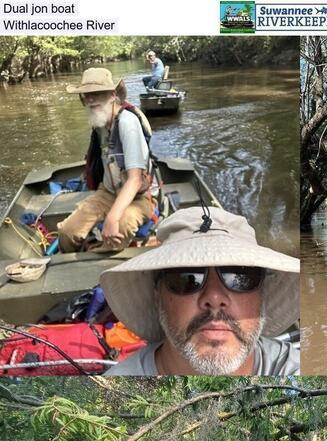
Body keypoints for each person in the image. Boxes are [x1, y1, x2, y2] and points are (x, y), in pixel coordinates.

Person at [100, 206, 300, 376]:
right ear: (158, 297)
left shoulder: (293, 367)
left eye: (240, 277)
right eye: (187, 278)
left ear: (262, 295)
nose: (214, 298)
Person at [59, 68, 154, 253]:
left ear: (112, 95)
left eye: (97, 93)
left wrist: (112, 218)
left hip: (139, 197)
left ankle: (101, 257)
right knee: (67, 233)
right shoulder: (100, 123)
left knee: (119, 228)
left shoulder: (127, 123)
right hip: (108, 192)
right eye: (86, 95)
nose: (90, 99)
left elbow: (135, 180)